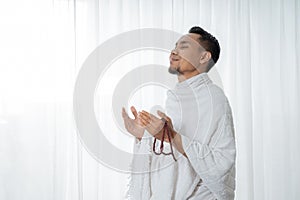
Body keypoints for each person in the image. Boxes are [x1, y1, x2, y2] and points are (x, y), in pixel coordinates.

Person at [122, 26, 236, 200]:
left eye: (184, 47)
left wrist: (170, 136)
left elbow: (221, 161)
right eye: (175, 46)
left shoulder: (214, 99)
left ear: (204, 56)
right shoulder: (176, 98)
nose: (174, 51)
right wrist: (143, 136)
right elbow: (171, 159)